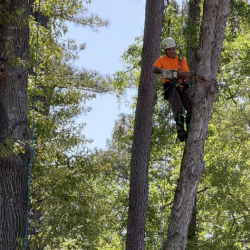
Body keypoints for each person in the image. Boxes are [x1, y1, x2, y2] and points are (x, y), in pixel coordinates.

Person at [152, 37, 192, 142]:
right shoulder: (161, 60)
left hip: (182, 86)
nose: (172, 51)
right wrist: (164, 72)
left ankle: (191, 128)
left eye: (173, 49)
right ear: (165, 50)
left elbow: (186, 74)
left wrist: (176, 73)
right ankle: (180, 131)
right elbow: (154, 69)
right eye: (169, 49)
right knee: (178, 107)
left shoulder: (180, 60)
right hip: (170, 87)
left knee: (190, 106)